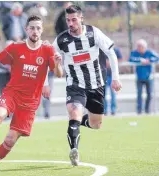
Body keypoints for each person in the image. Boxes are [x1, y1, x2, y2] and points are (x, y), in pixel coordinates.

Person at [0, 15, 63, 176]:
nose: (35, 31)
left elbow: (58, 74)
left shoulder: (48, 50)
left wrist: (57, 64)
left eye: (38, 28)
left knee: (10, 139)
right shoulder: (16, 47)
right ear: (26, 29)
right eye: (32, 28)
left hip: (30, 101)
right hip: (12, 93)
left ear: (42, 30)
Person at [52, 5, 122, 166]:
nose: (70, 23)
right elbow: (53, 65)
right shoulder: (61, 40)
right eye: (68, 20)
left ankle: (77, 124)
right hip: (75, 84)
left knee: (96, 124)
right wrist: (53, 68)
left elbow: (111, 52)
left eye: (74, 20)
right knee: (74, 112)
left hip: (96, 84)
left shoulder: (93, 33)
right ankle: (74, 151)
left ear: (81, 19)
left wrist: (116, 78)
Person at [129, 39, 159, 114]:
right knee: (139, 94)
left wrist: (149, 60)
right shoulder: (134, 53)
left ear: (145, 47)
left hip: (149, 77)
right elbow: (131, 59)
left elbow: (157, 58)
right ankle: (139, 110)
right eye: (138, 46)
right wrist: (140, 60)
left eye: (141, 46)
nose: (139, 48)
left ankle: (147, 110)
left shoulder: (149, 52)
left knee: (149, 94)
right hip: (139, 77)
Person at [104, 47, 123, 115]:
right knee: (103, 94)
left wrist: (112, 62)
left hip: (113, 76)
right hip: (103, 75)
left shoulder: (116, 49)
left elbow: (120, 59)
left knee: (113, 94)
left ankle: (113, 110)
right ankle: (104, 110)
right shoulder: (101, 49)